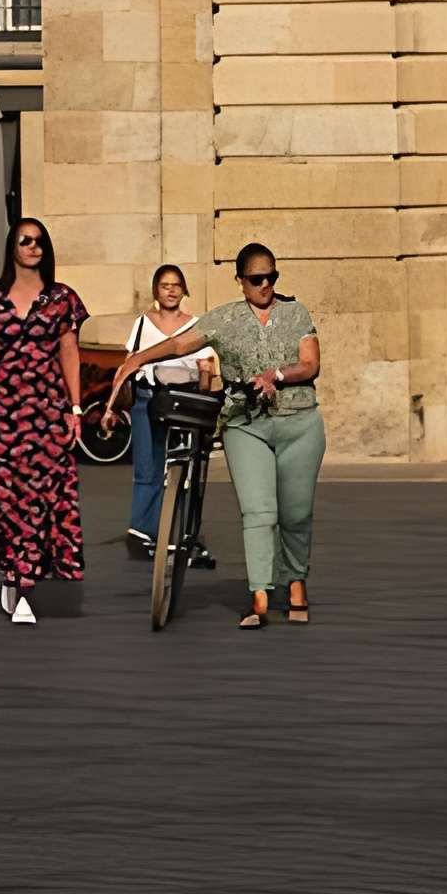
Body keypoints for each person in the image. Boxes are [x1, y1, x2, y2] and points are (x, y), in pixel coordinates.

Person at [117, 241, 323, 628]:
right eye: (257, 278)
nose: (266, 285)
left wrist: (276, 374)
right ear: (241, 281)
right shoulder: (225, 319)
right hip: (247, 424)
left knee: (296, 513)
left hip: (299, 422)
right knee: (258, 512)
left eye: (271, 277)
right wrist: (137, 359)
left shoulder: (296, 313)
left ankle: (296, 582)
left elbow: (310, 364)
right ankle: (259, 596)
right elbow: (180, 343)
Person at [0, 217, 88, 626]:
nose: (33, 247)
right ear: (12, 247)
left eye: (39, 242)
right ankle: (13, 570)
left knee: (42, 497)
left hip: (47, 411)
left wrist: (75, 408)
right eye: (24, 241)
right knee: (4, 497)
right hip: (0, 412)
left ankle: (26, 584)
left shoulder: (62, 298)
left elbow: (70, 353)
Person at [110, 261, 214, 563]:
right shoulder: (143, 323)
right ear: (156, 289)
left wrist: (207, 384)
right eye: (165, 285)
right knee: (147, 466)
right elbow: (129, 363)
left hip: (185, 398)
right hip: (147, 398)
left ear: (184, 290)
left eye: (176, 285)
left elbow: (205, 366)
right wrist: (111, 406)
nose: (170, 290)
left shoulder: (195, 325)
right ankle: (144, 531)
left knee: (185, 468)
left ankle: (179, 532)